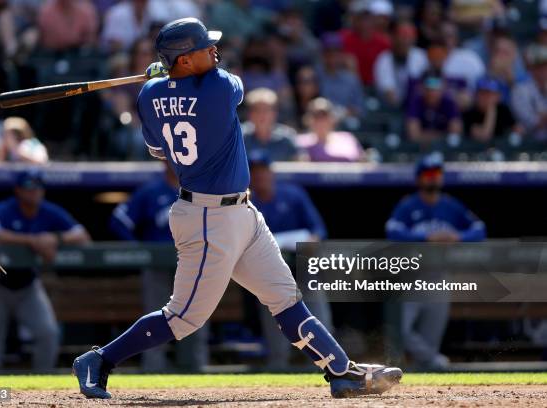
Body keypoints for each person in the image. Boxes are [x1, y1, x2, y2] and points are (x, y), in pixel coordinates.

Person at [72, 17, 402, 400]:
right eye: (203, 48)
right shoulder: (217, 87)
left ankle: (342, 372)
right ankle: (99, 359)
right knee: (183, 317)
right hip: (209, 218)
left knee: (284, 296)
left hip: (241, 213)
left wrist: (163, 82)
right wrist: (171, 78)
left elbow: (159, 147)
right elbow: (237, 85)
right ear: (183, 59)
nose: (214, 50)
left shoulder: (147, 95)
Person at [0, 169, 91, 373]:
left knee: (48, 334)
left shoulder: (48, 211)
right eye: (29, 188)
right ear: (18, 190)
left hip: (28, 286)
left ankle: (42, 384)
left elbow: (83, 236)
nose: (34, 192)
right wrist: (31, 241)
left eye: (38, 187)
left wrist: (55, 239)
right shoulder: (6, 209)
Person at [385, 154, 486, 370]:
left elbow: (479, 229)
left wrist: (458, 237)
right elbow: (392, 231)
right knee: (399, 331)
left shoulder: (451, 206)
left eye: (437, 174)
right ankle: (431, 360)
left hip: (439, 279)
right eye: (428, 174)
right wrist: (425, 238)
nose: (433, 179)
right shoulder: (408, 205)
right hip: (410, 278)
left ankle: (427, 380)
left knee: (430, 341)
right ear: (419, 178)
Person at [109, 164, 209, 371]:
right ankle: (154, 369)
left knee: (197, 316)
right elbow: (119, 220)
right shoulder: (152, 190)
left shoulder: (202, 190)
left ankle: (198, 369)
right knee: (157, 315)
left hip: (192, 263)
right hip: (158, 266)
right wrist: (140, 250)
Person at [247, 150, 334, 370]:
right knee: (275, 320)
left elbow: (318, 231)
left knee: (317, 313)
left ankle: (325, 363)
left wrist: (312, 240)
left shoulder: (292, 194)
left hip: (301, 265)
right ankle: (279, 364)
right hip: (271, 271)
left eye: (263, 171)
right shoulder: (245, 204)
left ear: (271, 173)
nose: (260, 177)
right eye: (255, 173)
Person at [374, 21, 429, 108]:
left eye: (409, 37)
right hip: (389, 108)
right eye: (403, 37)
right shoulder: (384, 59)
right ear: (394, 38)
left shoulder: (420, 56)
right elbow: (389, 93)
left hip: (416, 106)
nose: (405, 41)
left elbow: (426, 84)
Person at [296, 97, 365, 162]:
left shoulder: (347, 138)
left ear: (332, 119)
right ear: (308, 120)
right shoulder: (300, 142)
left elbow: (361, 161)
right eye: (316, 116)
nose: (321, 121)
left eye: (324, 116)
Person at [242, 87, 300, 161]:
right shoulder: (240, 137)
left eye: (266, 110)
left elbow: (298, 165)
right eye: (257, 110)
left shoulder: (287, 138)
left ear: (275, 113)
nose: (261, 114)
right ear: (249, 114)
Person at [406, 72, 462, 145]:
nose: (432, 93)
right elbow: (413, 134)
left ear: (442, 88)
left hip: (445, 149)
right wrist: (443, 136)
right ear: (423, 88)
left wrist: (426, 136)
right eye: (429, 89)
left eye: (436, 89)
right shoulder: (416, 102)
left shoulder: (449, 103)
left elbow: (455, 132)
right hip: (421, 149)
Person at [463, 77, 522, 143]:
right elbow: (484, 135)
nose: (486, 97)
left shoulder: (504, 110)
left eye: (490, 94)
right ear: (476, 95)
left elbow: (518, 130)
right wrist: (491, 111)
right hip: (475, 151)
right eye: (482, 93)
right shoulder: (469, 113)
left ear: (498, 96)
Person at [511, 44, 547, 141]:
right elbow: (531, 122)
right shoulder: (520, 90)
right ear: (531, 68)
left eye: (545, 66)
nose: (543, 70)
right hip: (529, 144)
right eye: (539, 66)